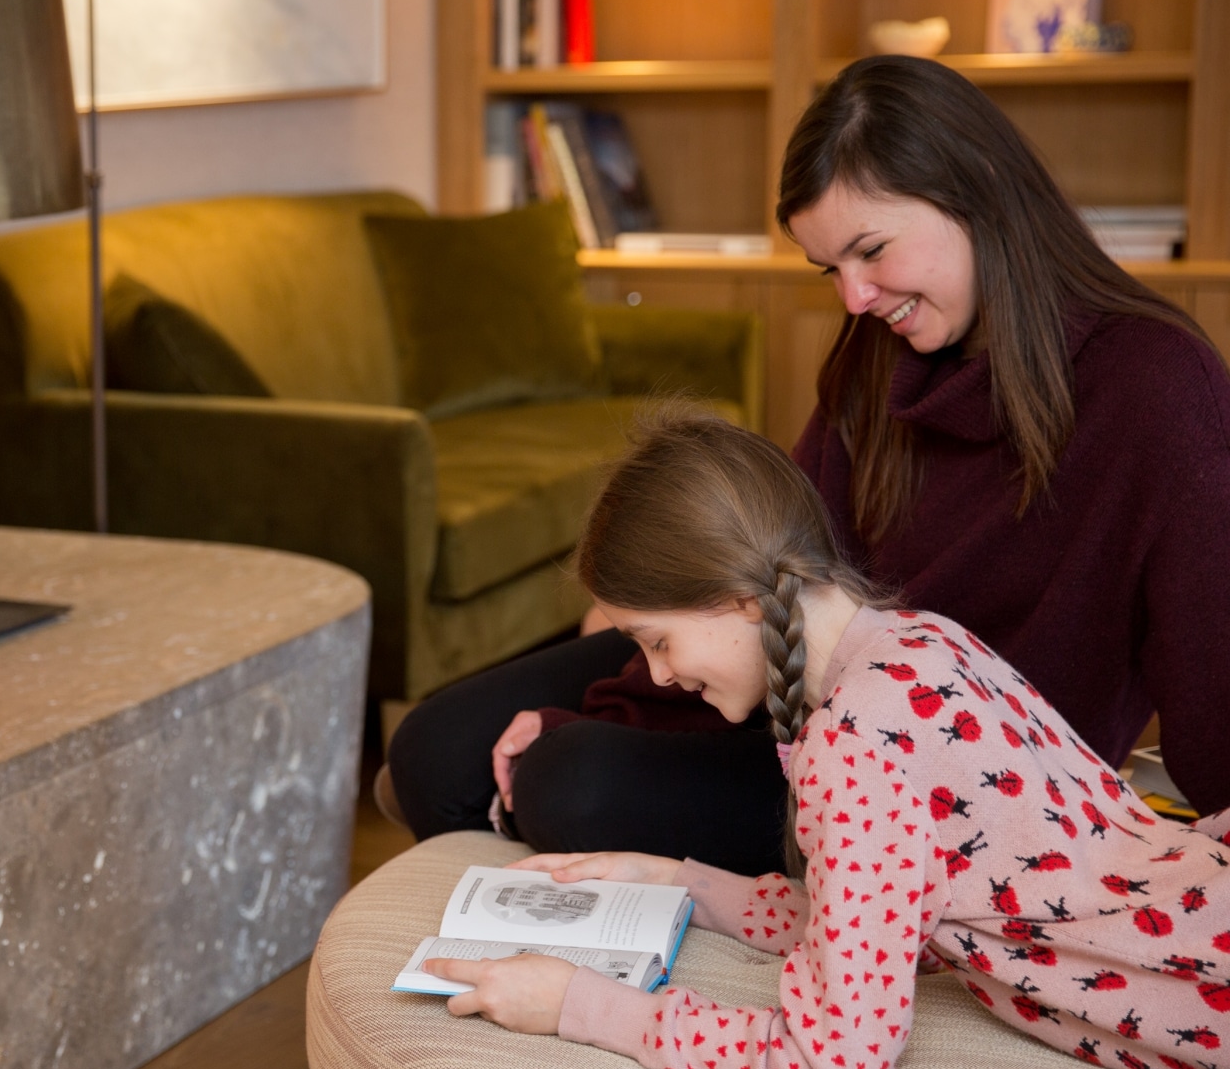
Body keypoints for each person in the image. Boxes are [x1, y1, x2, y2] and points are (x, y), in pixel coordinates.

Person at [386, 55, 1230, 874]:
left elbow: (1211, 677)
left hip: (917, 784)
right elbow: (768, 570)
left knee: (571, 783)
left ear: (977, 185)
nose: (854, 298)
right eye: (832, 268)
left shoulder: (1155, 385)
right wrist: (631, 648)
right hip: (791, 687)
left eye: (872, 251)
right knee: (433, 750)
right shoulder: (877, 351)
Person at [425, 412, 1230, 1069]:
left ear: (739, 598)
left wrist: (577, 1003)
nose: (659, 673)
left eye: (656, 640)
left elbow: (833, 1064)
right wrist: (682, 882)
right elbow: (892, 921)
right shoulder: (924, 640)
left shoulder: (855, 748)